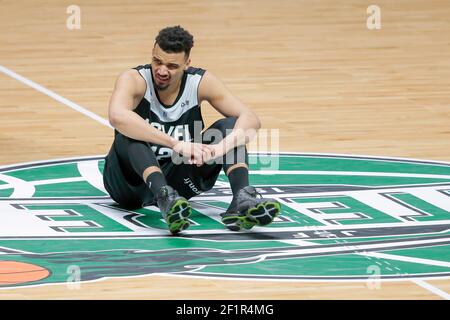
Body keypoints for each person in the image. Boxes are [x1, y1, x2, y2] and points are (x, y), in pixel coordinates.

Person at [103, 25, 281, 235]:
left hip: (178, 180)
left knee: (231, 127)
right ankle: (163, 196)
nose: (161, 71)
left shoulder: (200, 82)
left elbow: (251, 119)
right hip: (128, 184)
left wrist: (218, 150)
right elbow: (117, 116)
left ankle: (242, 199)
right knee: (128, 132)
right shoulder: (134, 79)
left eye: (171, 66)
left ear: (187, 63)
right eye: (157, 61)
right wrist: (177, 144)